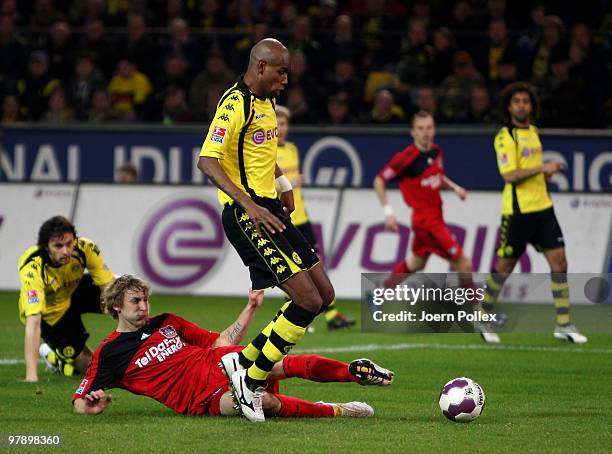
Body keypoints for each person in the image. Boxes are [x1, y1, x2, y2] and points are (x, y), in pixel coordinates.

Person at [197, 38, 336, 422]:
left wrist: (285, 185)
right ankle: (251, 380)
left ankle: (245, 367)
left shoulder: (268, 101)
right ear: (260, 68)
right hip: (247, 215)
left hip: (271, 208)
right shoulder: (235, 103)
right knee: (306, 301)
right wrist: (250, 205)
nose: (287, 79)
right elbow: (207, 160)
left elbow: (264, 153)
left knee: (324, 294)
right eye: (282, 71)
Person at [73, 275, 394, 418]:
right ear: (116, 306)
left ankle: (354, 373)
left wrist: (250, 308)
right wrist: (91, 404)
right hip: (201, 398)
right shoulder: (110, 354)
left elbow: (220, 342)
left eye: (145, 299)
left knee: (282, 362)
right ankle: (337, 409)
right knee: (263, 402)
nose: (144, 306)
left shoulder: (167, 321)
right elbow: (79, 399)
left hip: (221, 360)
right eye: (135, 301)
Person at [479, 82, 587, 344]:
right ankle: (482, 314)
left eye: (525, 101)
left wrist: (546, 173)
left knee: (560, 263)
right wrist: (542, 168)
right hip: (518, 212)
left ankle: (563, 324)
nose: (521, 105)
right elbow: (509, 175)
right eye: (516, 101)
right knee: (505, 267)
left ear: (531, 105)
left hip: (543, 208)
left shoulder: (534, 132)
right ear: (509, 106)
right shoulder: (506, 137)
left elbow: (530, 170)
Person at [275, 105, 355, 330]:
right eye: (278, 124)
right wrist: (289, 184)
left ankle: (329, 316)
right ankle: (299, 315)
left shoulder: (291, 149)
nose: (281, 128)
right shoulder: (268, 152)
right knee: (294, 269)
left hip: (301, 216)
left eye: (284, 124)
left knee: (314, 264)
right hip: (284, 218)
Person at [373, 111, 473, 289]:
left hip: (435, 216)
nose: (426, 132)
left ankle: (379, 293)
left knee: (417, 263)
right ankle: (478, 313)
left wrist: (455, 188)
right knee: (463, 263)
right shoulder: (405, 158)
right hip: (426, 222)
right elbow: (379, 180)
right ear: (413, 132)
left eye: (429, 127)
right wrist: (389, 212)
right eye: (421, 128)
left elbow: (438, 177)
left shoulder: (436, 151)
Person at [18, 216, 114, 382]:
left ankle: (149, 343)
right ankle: (53, 358)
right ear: (46, 247)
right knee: (92, 369)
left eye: (69, 243)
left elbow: (109, 288)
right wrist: (31, 377)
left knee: (125, 291)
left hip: (75, 293)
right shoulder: (33, 266)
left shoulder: (85, 248)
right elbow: (33, 323)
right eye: (58, 246)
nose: (66, 251)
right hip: (52, 316)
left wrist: (121, 317)